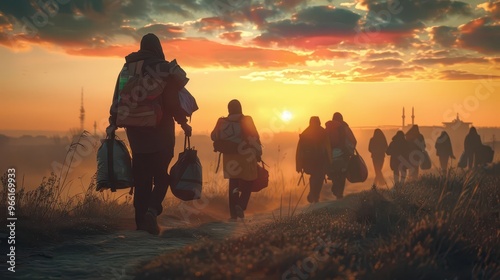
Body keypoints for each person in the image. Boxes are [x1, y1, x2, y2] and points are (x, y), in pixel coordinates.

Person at [106, 33, 192, 235]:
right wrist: (183, 122)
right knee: (161, 176)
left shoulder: (128, 68)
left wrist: (112, 122)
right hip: (161, 132)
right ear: (158, 47)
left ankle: (140, 225)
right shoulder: (163, 68)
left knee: (141, 177)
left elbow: (117, 97)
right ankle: (152, 211)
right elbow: (171, 102)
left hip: (136, 132)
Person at [211, 100, 262, 221]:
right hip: (245, 156)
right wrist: (259, 152)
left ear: (229, 109)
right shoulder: (247, 120)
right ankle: (241, 205)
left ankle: (233, 214)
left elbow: (213, 136)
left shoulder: (222, 121)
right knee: (249, 181)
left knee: (233, 183)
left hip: (229, 157)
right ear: (240, 108)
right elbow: (255, 136)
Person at [296, 116, 332, 203]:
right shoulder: (323, 132)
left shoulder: (305, 133)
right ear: (319, 122)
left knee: (314, 177)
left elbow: (299, 151)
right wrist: (330, 161)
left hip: (308, 162)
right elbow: (328, 148)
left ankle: (313, 194)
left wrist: (299, 165)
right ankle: (315, 196)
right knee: (319, 177)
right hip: (321, 160)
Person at [325, 112, 357, 199]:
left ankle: (335, 186)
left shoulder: (328, 128)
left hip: (331, 155)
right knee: (343, 173)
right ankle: (339, 193)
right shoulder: (345, 127)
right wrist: (350, 150)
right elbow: (353, 140)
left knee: (334, 172)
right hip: (343, 154)